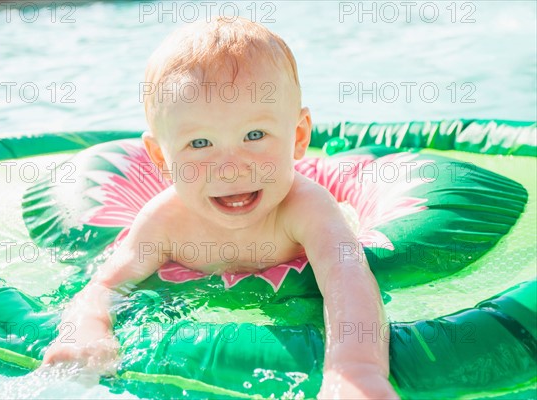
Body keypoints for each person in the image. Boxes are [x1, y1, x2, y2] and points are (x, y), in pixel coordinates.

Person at [42, 16, 398, 399]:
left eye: (254, 135)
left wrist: (356, 370)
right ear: (161, 157)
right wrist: (88, 328)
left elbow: (348, 279)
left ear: (297, 136)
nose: (230, 168)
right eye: (200, 144)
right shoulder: (166, 220)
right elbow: (107, 284)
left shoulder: (306, 208)